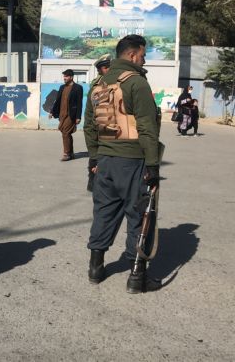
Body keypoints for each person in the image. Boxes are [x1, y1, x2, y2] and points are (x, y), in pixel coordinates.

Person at [87, 34, 162, 294]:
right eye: (143, 55)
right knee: (140, 215)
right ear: (131, 55)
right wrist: (153, 165)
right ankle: (137, 278)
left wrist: (95, 158)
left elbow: (89, 127)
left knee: (104, 213)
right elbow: (147, 127)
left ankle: (95, 269)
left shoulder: (98, 85)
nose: (144, 60)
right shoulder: (136, 83)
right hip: (133, 161)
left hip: (105, 161)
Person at [83, 54, 112, 191]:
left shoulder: (122, 84)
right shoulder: (96, 87)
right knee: (96, 163)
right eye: (106, 68)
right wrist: (93, 151)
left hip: (117, 140)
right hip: (99, 136)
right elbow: (89, 121)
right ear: (101, 70)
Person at [50, 69, 84, 161]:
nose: (64, 78)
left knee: (65, 132)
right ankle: (71, 153)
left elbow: (79, 103)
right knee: (66, 132)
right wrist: (52, 111)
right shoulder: (62, 87)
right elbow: (57, 101)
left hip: (71, 114)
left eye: (66, 76)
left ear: (71, 77)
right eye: (64, 76)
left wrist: (78, 117)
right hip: (62, 114)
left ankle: (66, 154)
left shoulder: (78, 88)